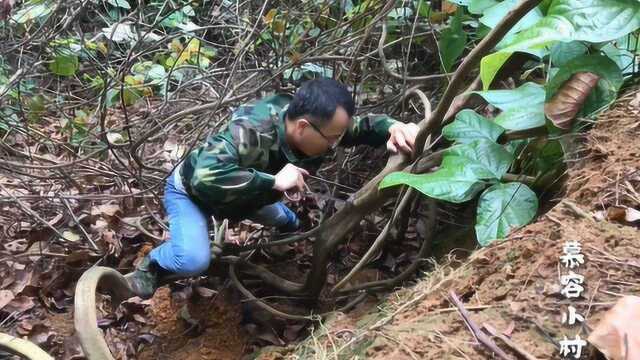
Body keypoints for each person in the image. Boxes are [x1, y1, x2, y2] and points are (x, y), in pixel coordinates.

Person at [125, 78, 419, 299]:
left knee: (288, 221)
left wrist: (394, 127)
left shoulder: (319, 125)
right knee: (193, 260)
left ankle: (282, 235)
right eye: (332, 138)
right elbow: (205, 175)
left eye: (337, 137)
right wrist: (274, 182)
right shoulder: (251, 130)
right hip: (193, 194)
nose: (335, 144)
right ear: (303, 127)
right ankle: (152, 265)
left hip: (248, 198)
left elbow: (362, 128)